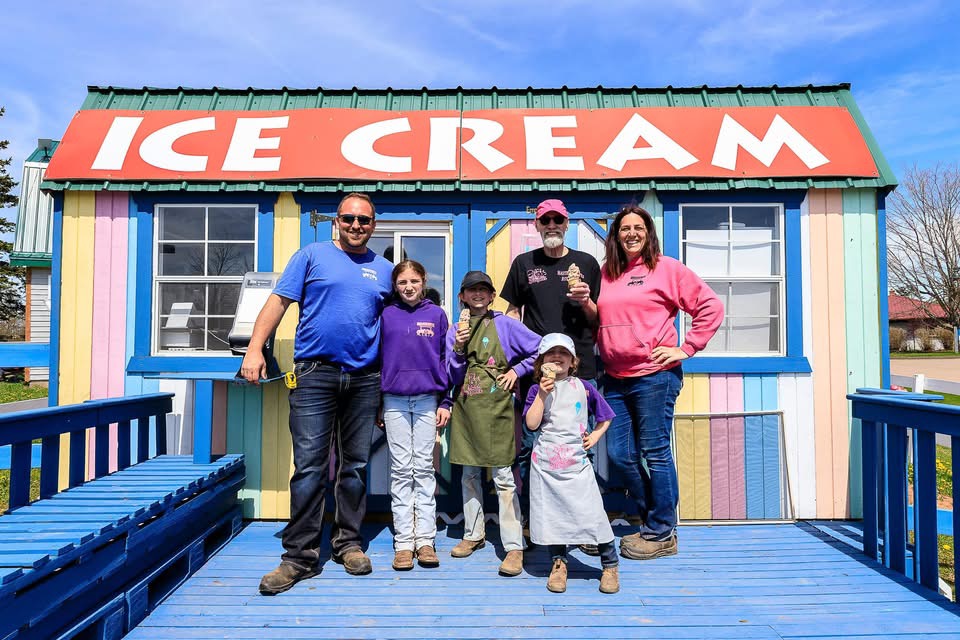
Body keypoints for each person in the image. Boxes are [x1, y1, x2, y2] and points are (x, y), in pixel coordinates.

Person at [242, 192, 393, 595]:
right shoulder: (310, 256)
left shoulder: (384, 270)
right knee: (309, 466)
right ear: (337, 222)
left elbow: (395, 327)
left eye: (364, 220)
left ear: (374, 224)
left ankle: (348, 545)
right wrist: (256, 347)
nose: (356, 226)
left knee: (355, 466)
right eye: (349, 219)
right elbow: (278, 301)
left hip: (364, 380)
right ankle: (299, 558)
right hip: (314, 376)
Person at [584, 204, 723, 561]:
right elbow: (604, 317)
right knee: (619, 454)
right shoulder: (607, 273)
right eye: (624, 228)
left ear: (648, 233)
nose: (631, 233)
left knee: (656, 452)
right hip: (615, 378)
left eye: (638, 227)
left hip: (654, 377)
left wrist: (686, 348)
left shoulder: (666, 269)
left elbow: (709, 306)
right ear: (615, 236)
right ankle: (652, 517)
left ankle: (662, 531)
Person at [500, 198, 603, 549]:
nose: (552, 225)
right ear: (538, 225)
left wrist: (586, 301)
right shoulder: (524, 263)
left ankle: (584, 526)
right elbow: (513, 314)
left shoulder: (586, 263)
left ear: (567, 222)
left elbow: (597, 319)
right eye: (546, 220)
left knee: (578, 451)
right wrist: (511, 362)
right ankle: (535, 524)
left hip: (580, 371)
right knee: (533, 448)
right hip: (536, 372)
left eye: (558, 219)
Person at [446, 270, 540, 576]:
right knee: (469, 474)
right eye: (471, 290)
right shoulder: (454, 330)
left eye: (483, 290)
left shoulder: (506, 325)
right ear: (462, 296)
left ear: (491, 295)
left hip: (497, 406)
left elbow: (541, 347)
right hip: (466, 406)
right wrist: (459, 349)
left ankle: (514, 546)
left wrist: (518, 371)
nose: (477, 295)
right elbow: (450, 374)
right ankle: (473, 534)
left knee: (503, 476)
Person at [522, 333, 619, 594]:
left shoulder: (584, 387)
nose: (557, 358)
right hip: (546, 464)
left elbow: (605, 416)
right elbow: (531, 424)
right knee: (554, 517)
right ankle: (559, 563)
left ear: (573, 361)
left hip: (577, 463)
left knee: (593, 513)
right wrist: (542, 395)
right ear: (541, 361)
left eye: (563, 353)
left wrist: (596, 435)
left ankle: (609, 564)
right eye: (551, 353)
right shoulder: (535, 390)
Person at [380, 260, 450, 571]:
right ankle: (404, 544)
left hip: (426, 400)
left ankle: (425, 540)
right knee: (400, 470)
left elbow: (448, 359)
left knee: (422, 469)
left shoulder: (436, 315)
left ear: (423, 282)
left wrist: (446, 402)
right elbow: (375, 359)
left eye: (414, 281)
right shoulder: (386, 315)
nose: (408, 287)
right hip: (393, 400)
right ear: (395, 286)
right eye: (402, 282)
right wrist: (376, 403)